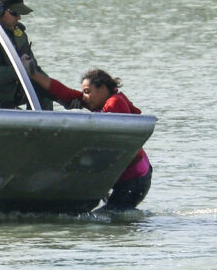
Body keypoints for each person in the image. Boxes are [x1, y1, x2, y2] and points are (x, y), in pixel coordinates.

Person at [25, 67, 152, 210]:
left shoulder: (114, 103)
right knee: (110, 215)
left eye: (87, 92)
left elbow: (104, 135)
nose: (84, 97)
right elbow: (66, 93)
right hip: (124, 176)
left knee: (109, 216)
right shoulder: (100, 102)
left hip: (134, 179)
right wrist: (33, 74)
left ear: (103, 89)